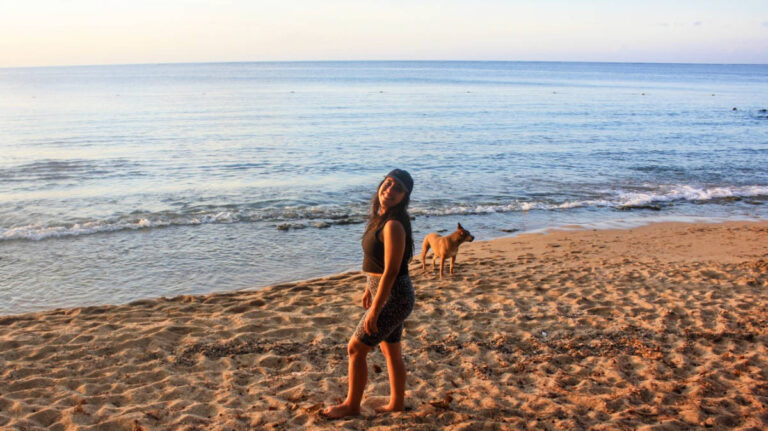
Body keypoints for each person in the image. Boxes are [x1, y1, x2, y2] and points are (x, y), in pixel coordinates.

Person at [321, 169, 416, 419]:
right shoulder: (380, 218)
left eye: (398, 189)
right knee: (391, 350)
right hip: (386, 294)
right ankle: (396, 403)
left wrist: (376, 308)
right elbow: (376, 261)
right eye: (388, 183)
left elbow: (393, 270)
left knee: (355, 348)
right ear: (381, 184)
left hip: (394, 297)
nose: (390, 190)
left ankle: (352, 405)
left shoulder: (394, 224)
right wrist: (368, 289)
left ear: (404, 196)